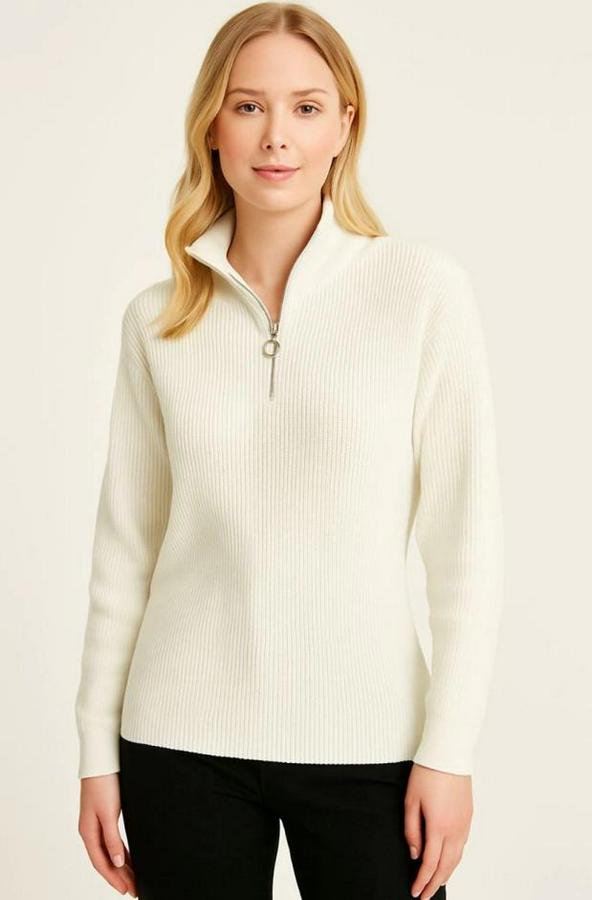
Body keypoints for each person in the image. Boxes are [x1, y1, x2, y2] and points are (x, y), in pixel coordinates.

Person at [75, 4, 504, 899]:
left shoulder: (421, 291)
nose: (277, 136)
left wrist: (451, 750)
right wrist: (95, 755)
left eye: (307, 108)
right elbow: (125, 550)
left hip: (374, 744)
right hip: (178, 744)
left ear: (345, 126)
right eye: (248, 106)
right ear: (212, 127)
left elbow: (465, 547)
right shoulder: (157, 321)